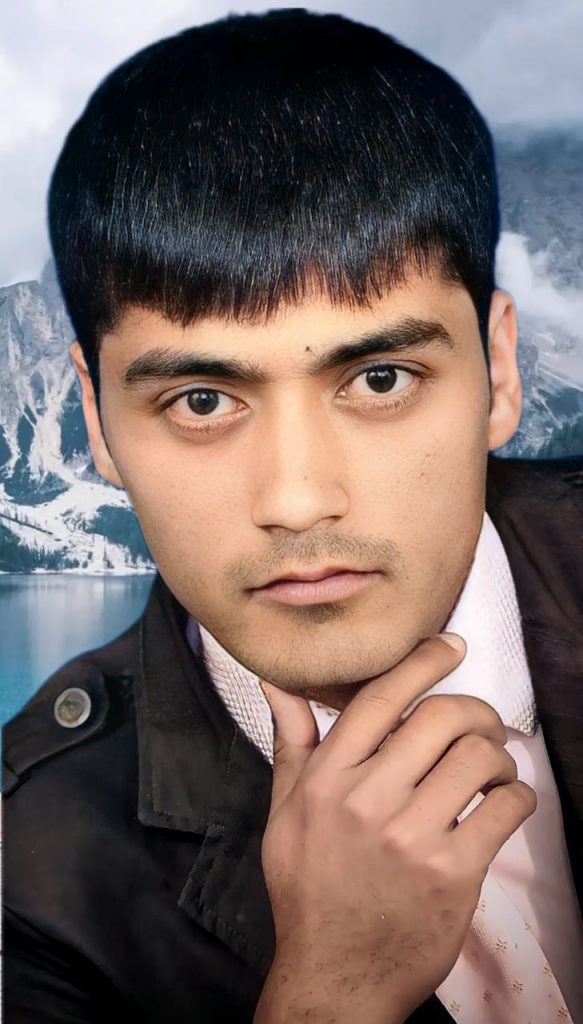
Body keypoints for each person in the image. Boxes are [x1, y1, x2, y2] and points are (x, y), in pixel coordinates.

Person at [2, 8, 583, 1023]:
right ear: (95, 423)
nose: (299, 499)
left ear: (499, 371)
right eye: (202, 401)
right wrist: (329, 992)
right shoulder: (26, 876)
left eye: (381, 378)